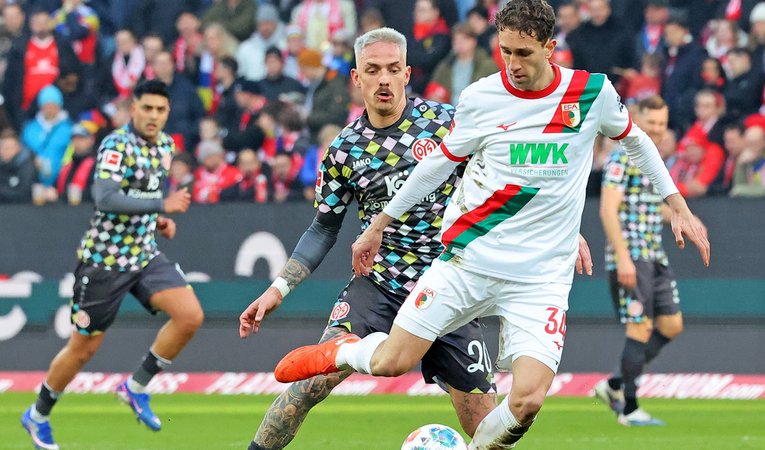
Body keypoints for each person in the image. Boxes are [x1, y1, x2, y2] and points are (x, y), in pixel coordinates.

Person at [271, 2, 710, 449]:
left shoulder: (592, 94)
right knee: (390, 362)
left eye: (524, 53)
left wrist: (676, 203)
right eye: (505, 52)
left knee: (527, 401)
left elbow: (636, 141)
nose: (513, 65)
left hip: (540, 279)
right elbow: (436, 166)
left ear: (550, 48)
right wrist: (379, 222)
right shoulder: (482, 97)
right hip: (469, 262)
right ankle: (337, 351)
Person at [238, 27, 501, 450]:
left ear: (407, 74)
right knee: (310, 384)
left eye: (393, 69)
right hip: (378, 285)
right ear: (357, 78)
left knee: (487, 426)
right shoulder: (344, 149)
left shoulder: (447, 124)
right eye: (373, 70)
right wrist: (278, 288)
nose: (384, 79)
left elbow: (500, 178)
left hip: (446, 286)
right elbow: (324, 227)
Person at [20, 80, 203, 450]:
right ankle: (37, 414)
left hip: (144, 253)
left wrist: (157, 221)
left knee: (190, 316)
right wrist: (161, 207)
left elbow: (143, 197)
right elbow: (105, 197)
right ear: (132, 108)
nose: (153, 116)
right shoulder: (116, 144)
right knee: (83, 349)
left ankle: (135, 387)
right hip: (104, 260)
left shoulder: (166, 147)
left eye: (160, 110)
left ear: (167, 113)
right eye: (147, 108)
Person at [593, 95, 687, 426]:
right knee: (640, 326)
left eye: (662, 125)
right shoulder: (621, 157)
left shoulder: (653, 162)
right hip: (630, 255)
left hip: (654, 254)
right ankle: (629, 408)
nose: (657, 131)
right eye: (651, 124)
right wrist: (622, 258)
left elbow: (647, 206)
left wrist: (683, 217)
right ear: (637, 120)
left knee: (671, 325)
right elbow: (608, 208)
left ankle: (615, 383)